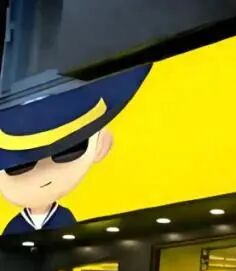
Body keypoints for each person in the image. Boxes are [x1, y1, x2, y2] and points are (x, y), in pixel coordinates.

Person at [0, 64, 150, 235]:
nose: (45, 171)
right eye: (20, 166)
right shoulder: (14, 226)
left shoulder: (66, 219)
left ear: (101, 144)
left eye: (68, 151)